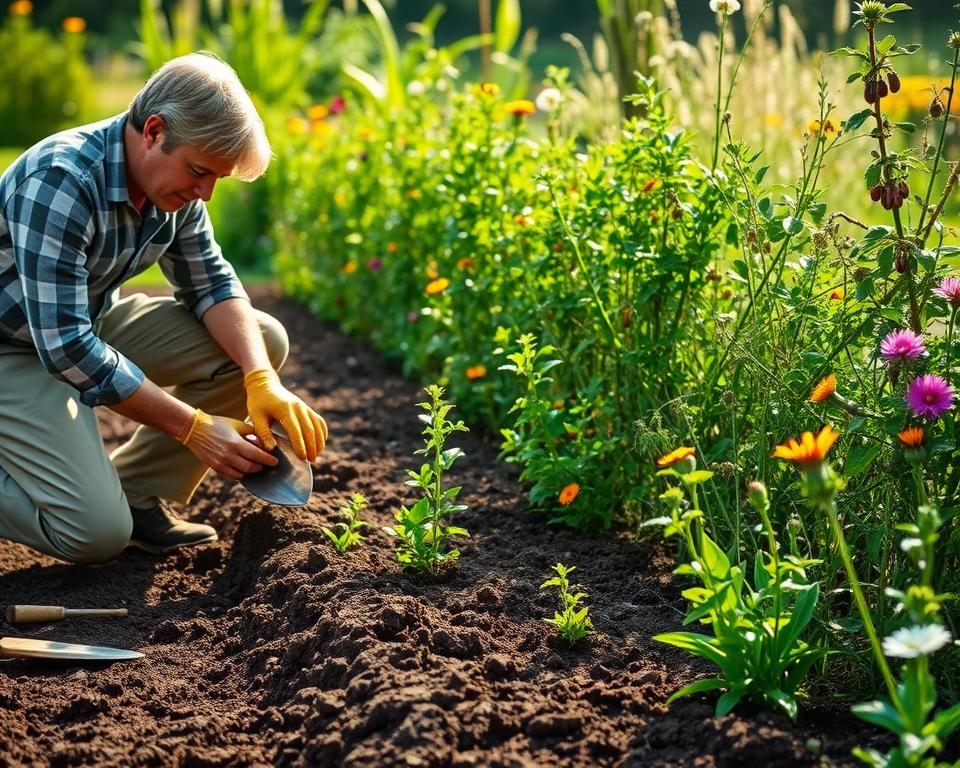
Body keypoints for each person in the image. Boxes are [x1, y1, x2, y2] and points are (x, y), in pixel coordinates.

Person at [0, 52, 327, 563]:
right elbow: (64, 348)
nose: (206, 192)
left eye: (216, 178)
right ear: (153, 130)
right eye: (199, 172)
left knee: (260, 341)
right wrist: (193, 428)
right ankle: (108, 512)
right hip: (12, 348)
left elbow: (211, 285)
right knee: (93, 535)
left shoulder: (175, 190)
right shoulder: (62, 179)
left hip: (87, 322)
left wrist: (261, 379)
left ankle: (135, 493)